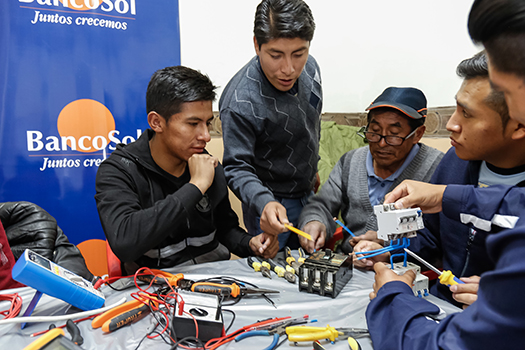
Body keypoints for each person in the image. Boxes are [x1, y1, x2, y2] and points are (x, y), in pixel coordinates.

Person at [365, 2, 525, 347]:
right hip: (435, 307)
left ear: (517, 125)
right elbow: (431, 237)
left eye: (466, 114)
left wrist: (505, 300)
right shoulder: (455, 162)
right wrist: (390, 248)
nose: (450, 124)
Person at [95, 66, 278, 275]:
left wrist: (250, 244)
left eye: (207, 123)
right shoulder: (119, 171)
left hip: (214, 282)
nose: (206, 136)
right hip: (155, 289)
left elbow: (225, 229)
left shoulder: (208, 164)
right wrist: (196, 186)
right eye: (193, 124)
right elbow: (125, 243)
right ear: (157, 122)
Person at [219, 0, 322, 250]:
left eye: (299, 53)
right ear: (257, 44)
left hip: (308, 190)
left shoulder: (311, 66)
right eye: (276, 55)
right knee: (276, 277)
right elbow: (236, 166)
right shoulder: (240, 101)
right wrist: (264, 202)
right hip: (270, 205)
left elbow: (311, 120)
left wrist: (311, 168)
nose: (289, 69)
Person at [297, 87, 443, 253]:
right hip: (350, 265)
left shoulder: (438, 168)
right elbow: (322, 205)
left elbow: (436, 238)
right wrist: (314, 221)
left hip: (402, 270)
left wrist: (385, 247)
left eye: (394, 134)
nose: (381, 143)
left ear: (418, 134)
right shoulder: (351, 161)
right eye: (374, 132)